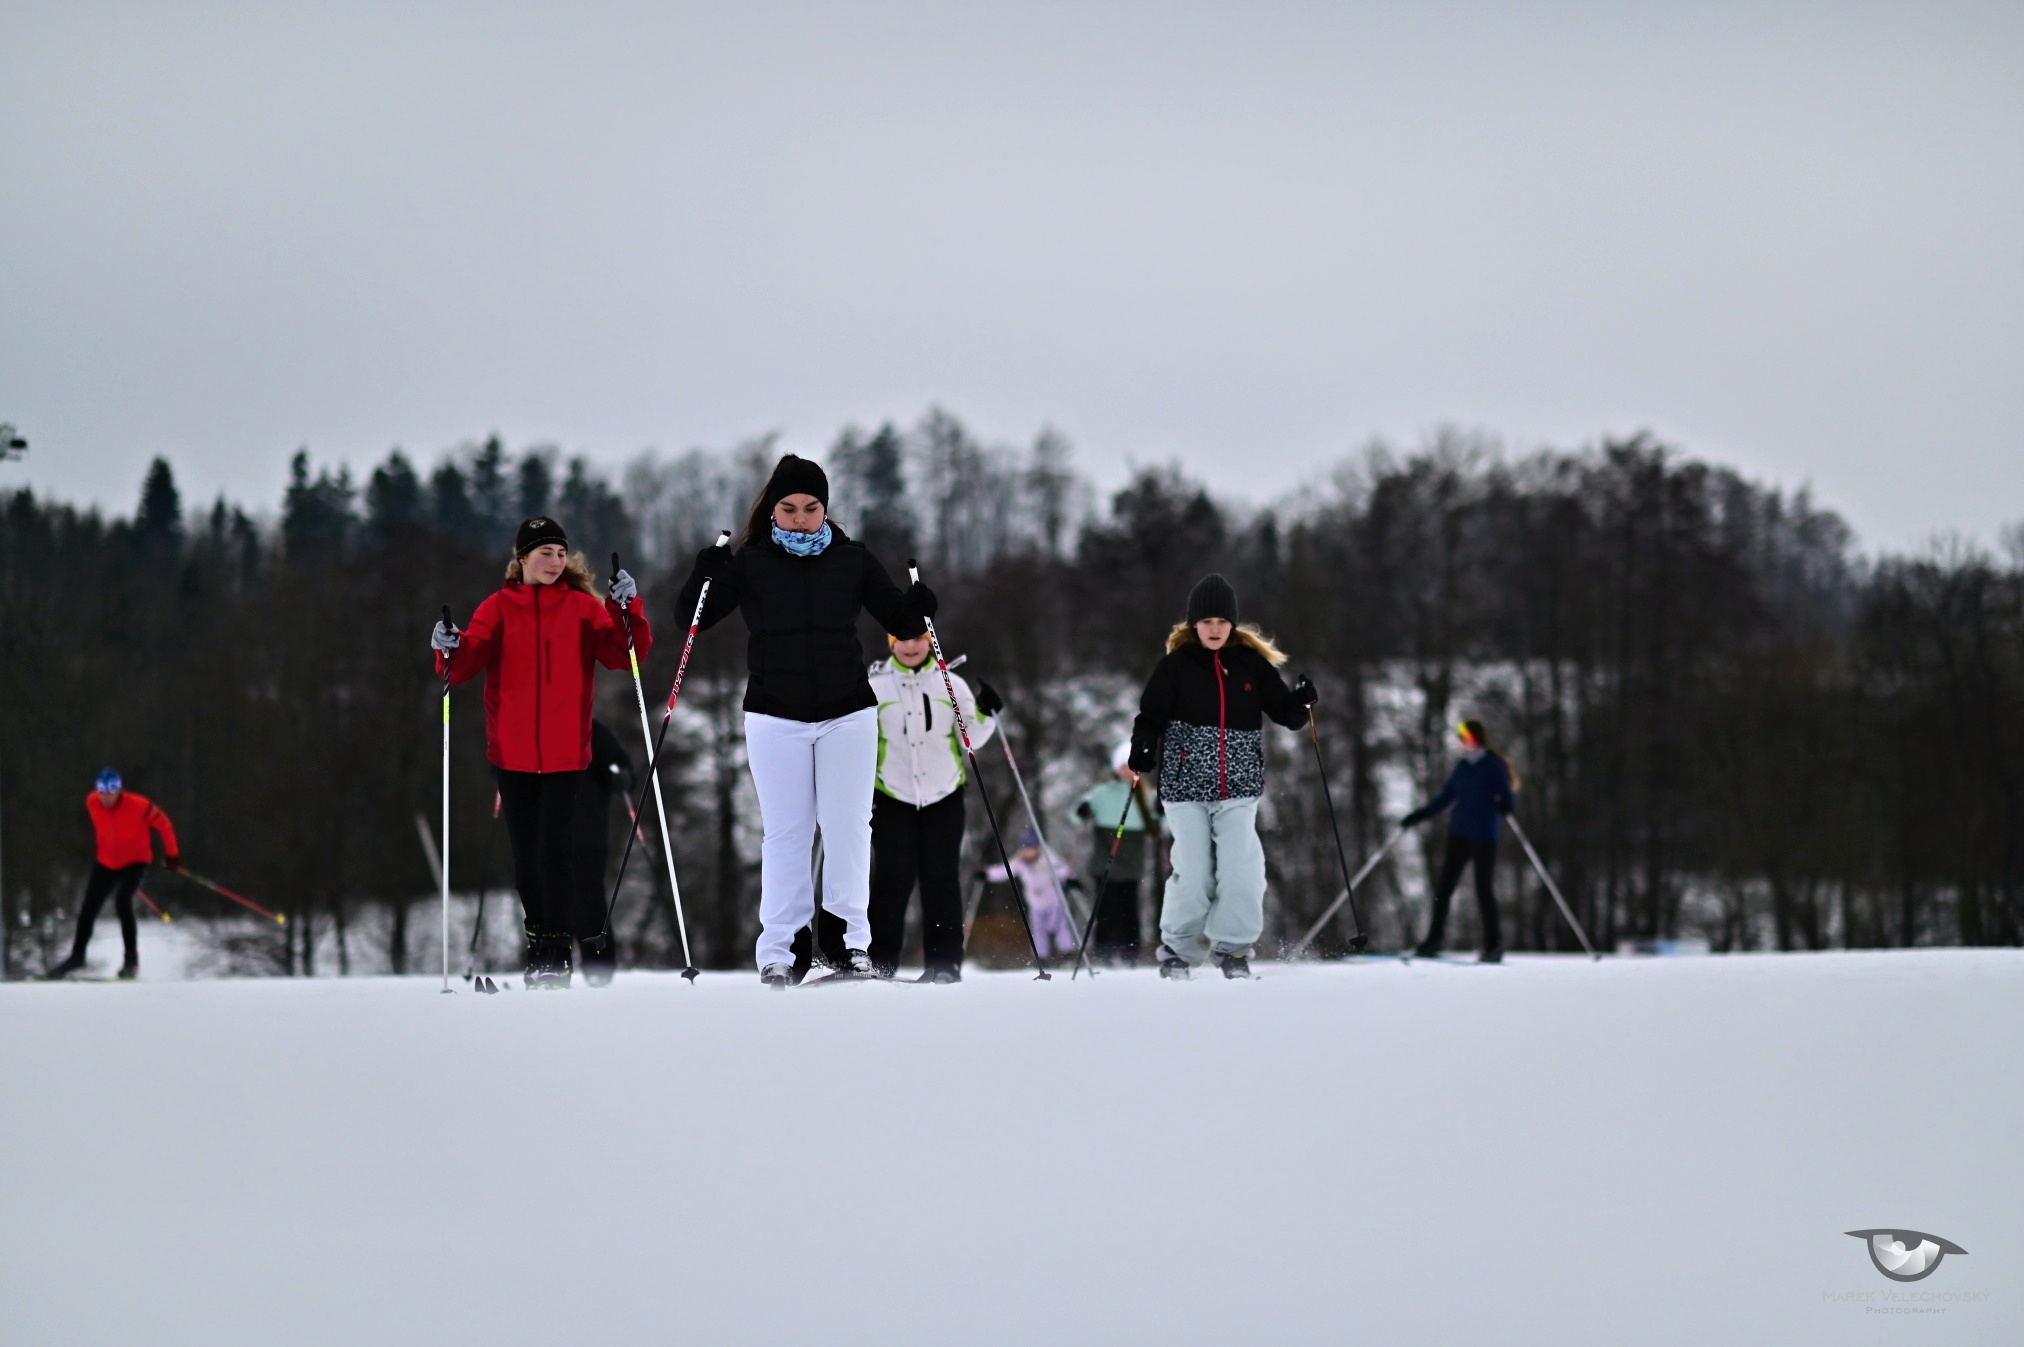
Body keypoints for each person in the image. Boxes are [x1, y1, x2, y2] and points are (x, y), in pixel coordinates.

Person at [672, 454, 935, 987]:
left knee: (848, 828)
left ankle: (849, 945)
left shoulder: (852, 559)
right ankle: (781, 951)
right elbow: (691, 619)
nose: (799, 518)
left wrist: (921, 607)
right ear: (772, 509)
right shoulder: (751, 562)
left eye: (810, 508)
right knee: (787, 833)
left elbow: (901, 620)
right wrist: (704, 575)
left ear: (826, 509)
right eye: (788, 508)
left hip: (847, 712)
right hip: (775, 714)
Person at [432, 516, 650, 989]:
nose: (554, 561)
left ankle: (556, 955)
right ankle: (540, 947)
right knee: (526, 859)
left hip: (566, 754)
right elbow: (464, 664)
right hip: (511, 755)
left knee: (556, 853)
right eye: (544, 552)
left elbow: (624, 654)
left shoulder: (582, 609)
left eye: (560, 553)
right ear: (522, 558)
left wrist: (626, 607)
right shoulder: (496, 608)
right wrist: (448, 646)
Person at [1127, 574, 1316, 979]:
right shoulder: (1175, 666)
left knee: (1241, 869)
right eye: (1206, 622)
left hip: (1239, 787)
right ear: (1194, 624)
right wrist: (1142, 748)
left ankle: (1233, 949)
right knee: (1194, 871)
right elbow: (1150, 717)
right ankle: (1178, 951)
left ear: (1232, 624)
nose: (1214, 629)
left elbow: (1286, 715)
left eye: (1222, 622)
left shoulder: (1252, 666)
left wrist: (1302, 702)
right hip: (1185, 787)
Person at [864, 630, 1002, 981]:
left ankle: (945, 963)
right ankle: (880, 962)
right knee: (892, 878)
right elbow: (860, 739)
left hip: (944, 794)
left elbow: (971, 737)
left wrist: (986, 712)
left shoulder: (950, 683)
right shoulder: (875, 685)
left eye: (918, 639)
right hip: (892, 796)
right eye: (902, 639)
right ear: (891, 643)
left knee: (940, 878)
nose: (911, 646)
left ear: (930, 642)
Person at [1401, 719, 1518, 963]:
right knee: (1444, 889)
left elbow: (1507, 797)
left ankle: (1493, 946)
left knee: (1483, 890)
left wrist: (1506, 805)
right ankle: (1433, 940)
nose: (1459, 741)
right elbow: (1446, 797)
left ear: (1473, 739)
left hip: (1484, 837)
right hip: (1459, 834)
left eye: (1463, 737)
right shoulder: (1463, 766)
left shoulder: (1492, 766)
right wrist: (1421, 814)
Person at [45, 769, 179, 980]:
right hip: (106, 863)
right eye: (102, 793)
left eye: (111, 793)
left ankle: (131, 961)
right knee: (88, 908)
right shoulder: (91, 802)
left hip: (135, 861)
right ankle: (77, 956)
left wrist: (172, 855)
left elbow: (164, 825)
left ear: (119, 791)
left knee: (122, 903)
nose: (106, 798)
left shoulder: (139, 805)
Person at [1073, 740, 1160, 966]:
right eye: (1123, 767)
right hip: (1105, 858)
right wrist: (1083, 811)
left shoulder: (1146, 794)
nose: (1127, 772)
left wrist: (1161, 813)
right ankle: (1104, 952)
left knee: (1128, 907)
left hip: (1132, 859)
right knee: (1105, 908)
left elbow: (1162, 827)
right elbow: (1075, 816)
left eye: (1131, 767)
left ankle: (1130, 953)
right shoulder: (1101, 792)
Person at [572, 718, 636, 987]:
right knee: (548, 902)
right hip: (543, 833)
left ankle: (599, 965)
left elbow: (621, 767)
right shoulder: (534, 724)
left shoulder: (591, 729)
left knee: (589, 902)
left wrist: (621, 777)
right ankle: (550, 963)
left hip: (588, 833)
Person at [983, 827, 1079, 962]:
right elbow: (1004, 871)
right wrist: (987, 874)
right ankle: (1041, 958)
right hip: (1035, 905)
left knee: (1060, 927)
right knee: (1038, 931)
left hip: (1054, 901)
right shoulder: (1020, 862)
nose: (1028, 852)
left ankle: (1068, 954)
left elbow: (1061, 870)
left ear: (1037, 847)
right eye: (1026, 849)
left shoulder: (1047, 857)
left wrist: (1070, 879)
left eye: (1031, 848)